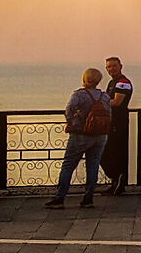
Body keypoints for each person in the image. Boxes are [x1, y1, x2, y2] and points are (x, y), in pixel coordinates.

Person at [52, 69, 109, 210]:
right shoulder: (105, 96)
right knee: (93, 165)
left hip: (81, 135)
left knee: (68, 166)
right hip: (100, 136)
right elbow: (109, 115)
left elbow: (69, 109)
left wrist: (72, 122)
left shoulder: (79, 94)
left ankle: (59, 198)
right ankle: (88, 199)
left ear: (84, 79)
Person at [100, 57, 135, 192]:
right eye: (108, 67)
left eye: (114, 66)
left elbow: (116, 102)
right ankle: (116, 181)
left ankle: (118, 178)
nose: (111, 69)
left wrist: (97, 102)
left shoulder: (123, 82)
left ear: (121, 66)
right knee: (109, 152)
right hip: (112, 122)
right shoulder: (112, 82)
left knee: (110, 151)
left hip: (118, 123)